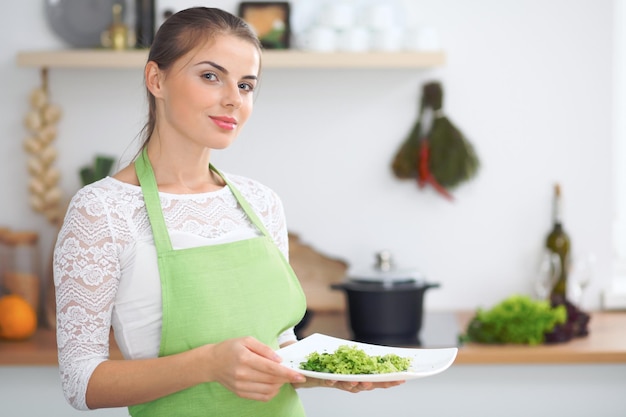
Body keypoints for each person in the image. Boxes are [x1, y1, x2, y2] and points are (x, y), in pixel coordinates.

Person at [53, 7, 404, 417]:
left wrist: (328, 372)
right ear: (156, 79)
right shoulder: (103, 211)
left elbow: (277, 346)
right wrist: (207, 365)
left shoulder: (260, 202)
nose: (233, 99)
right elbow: (82, 382)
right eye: (210, 76)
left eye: (246, 85)